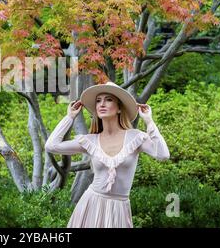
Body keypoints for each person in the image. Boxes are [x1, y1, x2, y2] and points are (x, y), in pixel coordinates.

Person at [45, 81, 170, 228]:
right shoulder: (90, 141)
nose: (101, 104)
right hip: (91, 204)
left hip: (119, 209)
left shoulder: (136, 138)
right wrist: (69, 117)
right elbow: (51, 145)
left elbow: (163, 155)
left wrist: (149, 121)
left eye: (108, 99)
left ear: (119, 108)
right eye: (98, 101)